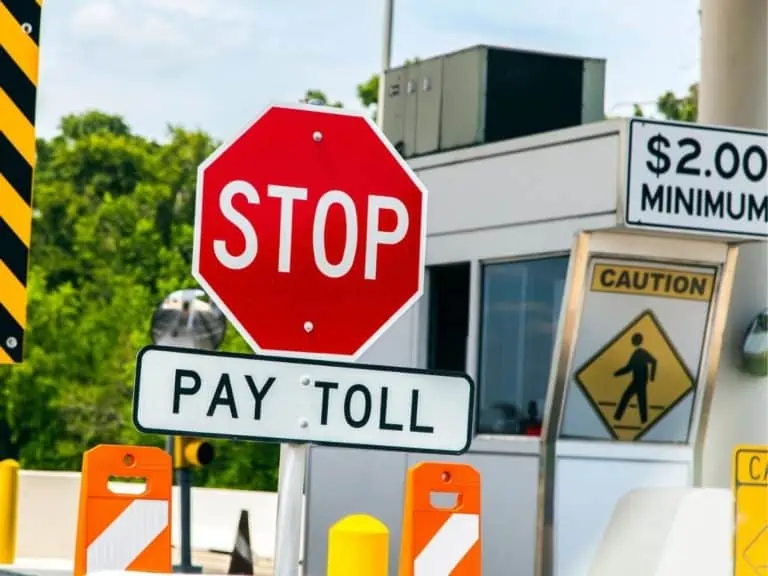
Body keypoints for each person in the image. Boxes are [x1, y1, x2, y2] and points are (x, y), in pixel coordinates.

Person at [613, 333, 657, 424]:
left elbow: (653, 361)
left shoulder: (640, 353)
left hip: (639, 381)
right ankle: (643, 420)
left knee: (627, 397)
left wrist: (652, 376)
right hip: (639, 381)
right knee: (641, 400)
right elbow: (629, 368)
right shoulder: (637, 353)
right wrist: (617, 373)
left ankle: (618, 417)